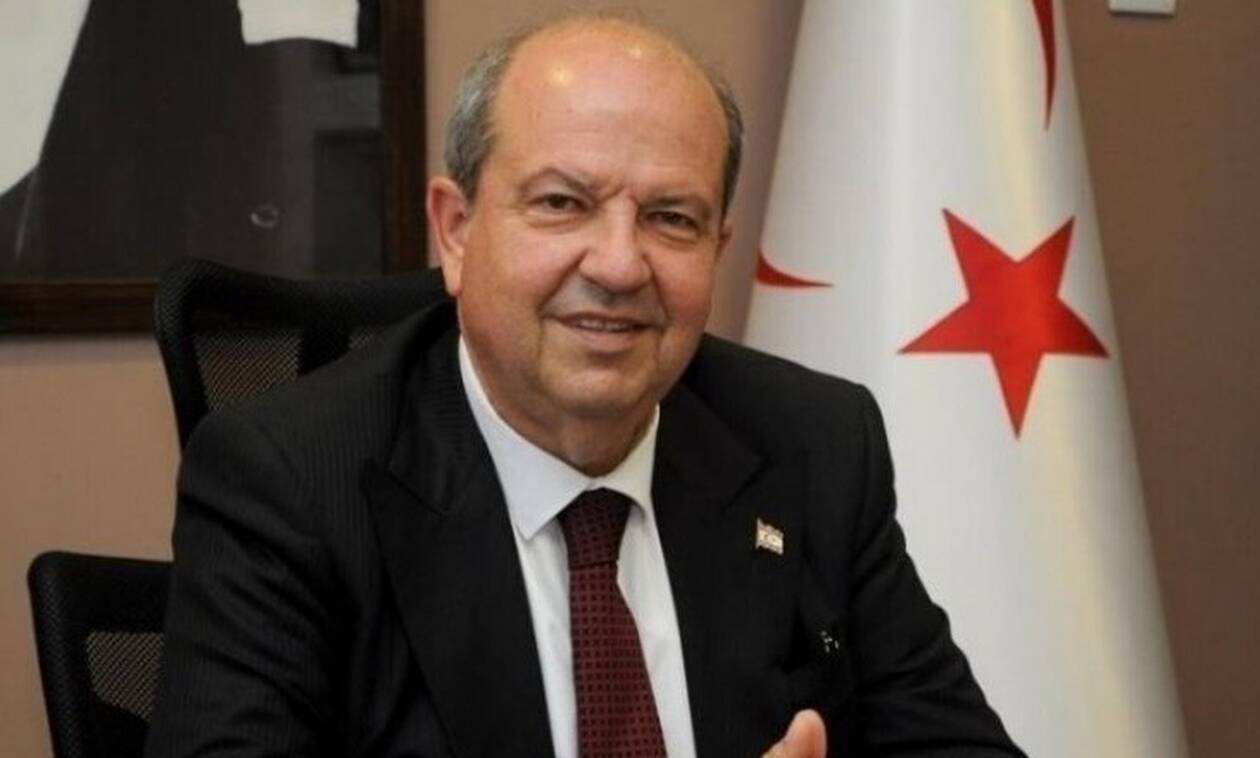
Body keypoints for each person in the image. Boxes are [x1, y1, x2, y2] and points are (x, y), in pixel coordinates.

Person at [146, 15, 1023, 758]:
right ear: (456, 230)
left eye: (670, 218)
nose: (618, 265)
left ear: (716, 248)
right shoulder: (289, 482)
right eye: (563, 203)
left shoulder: (813, 442)